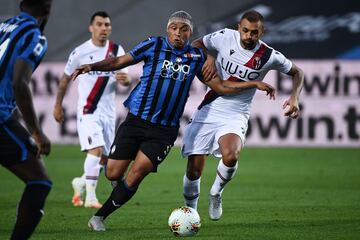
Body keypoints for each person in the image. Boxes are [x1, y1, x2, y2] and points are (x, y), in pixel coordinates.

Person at [71, 10, 275, 232]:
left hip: (164, 131)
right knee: (112, 173)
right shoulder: (153, 45)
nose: (178, 33)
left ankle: (99, 217)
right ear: (168, 29)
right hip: (136, 121)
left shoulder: (196, 58)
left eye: (184, 29)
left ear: (190, 33)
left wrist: (253, 84)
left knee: (138, 173)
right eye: (174, 28)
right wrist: (92, 66)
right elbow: (120, 61)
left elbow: (221, 87)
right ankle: (117, 188)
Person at [182, 10, 305, 221]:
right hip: (210, 108)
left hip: (236, 113)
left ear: (262, 31)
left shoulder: (269, 55)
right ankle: (190, 212)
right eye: (245, 31)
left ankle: (216, 193)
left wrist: (294, 97)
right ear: (239, 27)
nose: (249, 36)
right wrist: (210, 56)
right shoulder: (224, 37)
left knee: (231, 156)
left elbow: (297, 72)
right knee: (194, 170)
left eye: (254, 33)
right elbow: (196, 43)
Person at [53, 11, 130, 209]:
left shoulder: (117, 49)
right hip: (88, 111)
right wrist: (57, 105)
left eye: (107, 25)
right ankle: (91, 199)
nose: (104, 28)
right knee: (95, 150)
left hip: (108, 113)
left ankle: (80, 183)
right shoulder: (80, 52)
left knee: (107, 160)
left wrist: (125, 80)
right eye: (100, 24)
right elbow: (64, 80)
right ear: (91, 27)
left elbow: (126, 79)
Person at [0, 0, 53, 239]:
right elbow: (19, 82)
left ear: (21, 5)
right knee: (39, 181)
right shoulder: (34, 36)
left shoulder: (2, 27)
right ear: (47, 11)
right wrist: (36, 131)